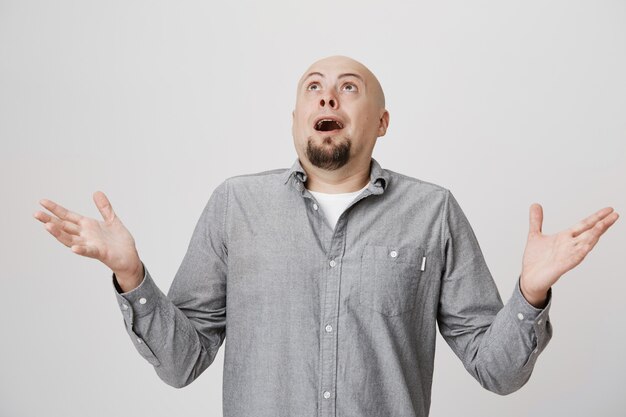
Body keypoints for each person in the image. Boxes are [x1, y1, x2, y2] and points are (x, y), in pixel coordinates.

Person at [33, 55, 619, 417]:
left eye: (348, 87)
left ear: (381, 122)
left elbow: (498, 372)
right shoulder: (235, 205)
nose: (328, 95)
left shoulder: (433, 212)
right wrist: (132, 277)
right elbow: (183, 363)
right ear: (295, 119)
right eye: (313, 86)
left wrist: (531, 292)